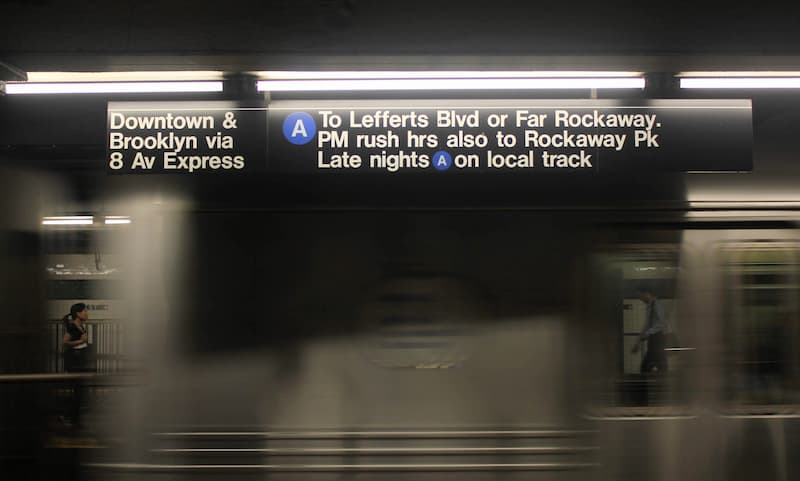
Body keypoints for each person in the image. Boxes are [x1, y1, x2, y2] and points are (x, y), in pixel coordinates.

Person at [630, 287, 668, 374]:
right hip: (653, 339)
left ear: (646, 293)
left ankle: (647, 385)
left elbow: (661, 323)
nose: (640, 299)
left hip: (658, 338)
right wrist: (638, 342)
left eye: (640, 297)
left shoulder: (657, 304)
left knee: (647, 366)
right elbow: (646, 325)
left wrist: (648, 333)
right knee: (658, 365)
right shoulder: (649, 307)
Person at [62, 302, 92, 373]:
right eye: (84, 311)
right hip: (74, 361)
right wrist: (81, 341)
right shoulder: (73, 327)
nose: (87, 313)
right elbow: (65, 342)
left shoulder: (80, 326)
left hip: (79, 359)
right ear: (78, 314)